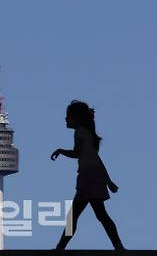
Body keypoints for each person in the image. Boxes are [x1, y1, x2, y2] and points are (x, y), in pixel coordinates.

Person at [50, 100, 125, 250]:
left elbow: (77, 153)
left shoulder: (80, 133)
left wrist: (60, 151)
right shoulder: (88, 134)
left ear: (76, 118)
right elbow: (96, 159)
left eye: (68, 116)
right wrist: (108, 181)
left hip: (87, 179)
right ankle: (118, 246)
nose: (66, 119)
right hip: (95, 177)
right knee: (101, 216)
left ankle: (60, 248)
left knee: (74, 216)